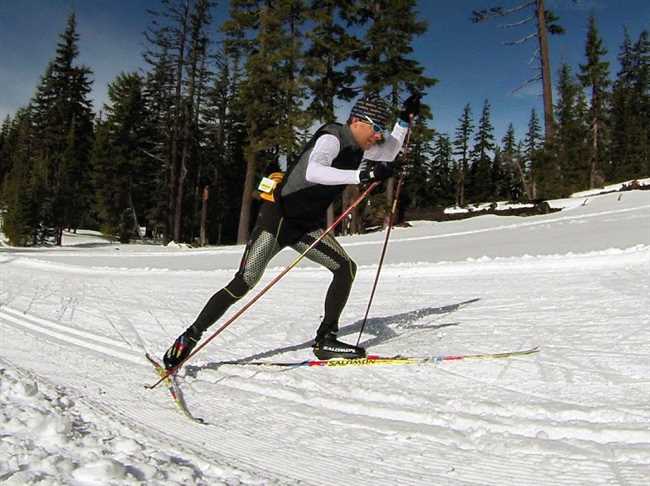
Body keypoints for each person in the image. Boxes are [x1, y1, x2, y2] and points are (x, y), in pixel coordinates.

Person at [163, 93, 421, 369]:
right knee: (245, 281)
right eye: (376, 128)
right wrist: (362, 175)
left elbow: (391, 151)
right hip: (278, 219)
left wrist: (403, 121)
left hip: (305, 227)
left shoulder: (362, 148)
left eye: (382, 130)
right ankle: (189, 337)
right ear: (357, 121)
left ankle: (326, 339)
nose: (378, 136)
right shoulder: (332, 137)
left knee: (345, 268)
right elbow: (315, 171)